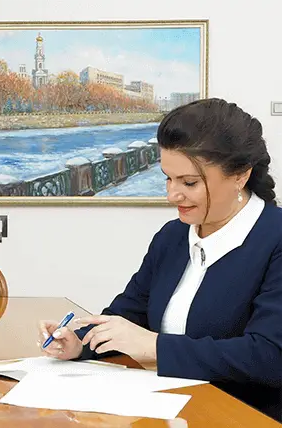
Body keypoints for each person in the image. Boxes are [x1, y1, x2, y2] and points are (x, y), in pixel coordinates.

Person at [37, 98, 282, 422]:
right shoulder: (172, 236)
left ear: (240, 175)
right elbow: (128, 315)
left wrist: (154, 347)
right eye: (168, 178)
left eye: (189, 182)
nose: (171, 195)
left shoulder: (275, 239)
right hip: (166, 411)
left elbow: (269, 356)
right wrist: (78, 343)